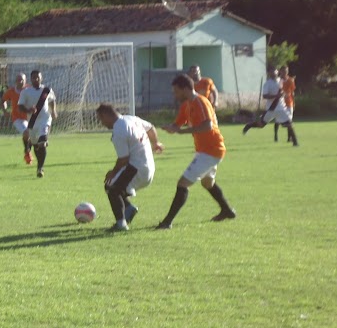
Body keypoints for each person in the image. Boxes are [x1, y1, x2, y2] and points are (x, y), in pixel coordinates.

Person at [157, 74, 235, 230]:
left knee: (183, 183)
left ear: (186, 89)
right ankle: (227, 211)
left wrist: (182, 132)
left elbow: (207, 126)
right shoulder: (187, 105)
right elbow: (178, 124)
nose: (175, 95)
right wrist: (171, 127)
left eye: (176, 91)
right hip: (205, 150)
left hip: (211, 150)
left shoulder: (200, 102)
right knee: (208, 183)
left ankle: (167, 222)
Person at [96, 103, 163, 232]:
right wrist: (156, 143)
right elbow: (150, 128)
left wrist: (113, 172)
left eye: (101, 119)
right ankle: (129, 209)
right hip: (148, 167)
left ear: (105, 115)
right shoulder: (132, 119)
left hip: (136, 169)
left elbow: (123, 159)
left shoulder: (119, 130)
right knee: (113, 186)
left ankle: (121, 224)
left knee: (112, 188)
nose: (102, 123)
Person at [243, 66, 299, 147]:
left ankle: (295, 142)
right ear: (269, 74)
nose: (274, 73)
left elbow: (286, 90)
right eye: (271, 72)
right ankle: (249, 125)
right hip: (271, 108)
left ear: (277, 72)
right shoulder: (267, 84)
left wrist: (285, 94)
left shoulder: (281, 81)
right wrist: (276, 96)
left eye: (275, 71)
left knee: (289, 123)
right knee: (261, 125)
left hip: (281, 108)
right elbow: (265, 96)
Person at [17, 70, 57, 178]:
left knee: (42, 142)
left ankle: (40, 168)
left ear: (41, 78)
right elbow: (20, 106)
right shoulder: (26, 92)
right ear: (31, 79)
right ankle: (37, 162)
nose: (36, 79)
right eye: (34, 78)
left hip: (45, 120)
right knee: (36, 146)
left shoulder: (47, 90)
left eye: (38, 77)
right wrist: (28, 110)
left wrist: (53, 111)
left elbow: (52, 100)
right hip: (33, 122)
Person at [1, 73, 32, 165]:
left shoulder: (30, 89)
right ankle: (27, 152)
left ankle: (28, 151)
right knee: (26, 133)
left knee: (34, 138)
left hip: (30, 117)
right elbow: (3, 100)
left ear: (26, 81)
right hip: (17, 118)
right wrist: (5, 110)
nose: (21, 81)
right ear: (15, 81)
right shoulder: (11, 91)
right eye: (19, 80)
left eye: (22, 80)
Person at [274, 65, 296, 143]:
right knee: (277, 120)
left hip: (289, 102)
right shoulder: (278, 80)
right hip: (280, 104)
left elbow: (292, 92)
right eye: (283, 71)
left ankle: (289, 137)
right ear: (280, 71)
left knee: (289, 121)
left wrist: (293, 102)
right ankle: (275, 135)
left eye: (286, 71)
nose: (285, 72)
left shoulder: (290, 80)